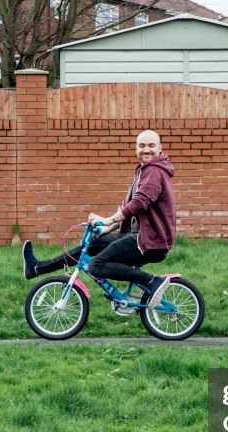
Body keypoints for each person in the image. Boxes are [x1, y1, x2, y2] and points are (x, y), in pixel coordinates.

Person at [22, 129, 177, 310]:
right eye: (141, 146)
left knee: (96, 265)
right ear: (136, 148)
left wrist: (109, 220)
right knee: (94, 244)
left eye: (151, 146)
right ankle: (38, 268)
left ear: (160, 148)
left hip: (149, 241)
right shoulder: (145, 171)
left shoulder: (154, 172)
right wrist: (106, 228)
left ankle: (152, 281)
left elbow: (139, 203)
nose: (146, 150)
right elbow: (131, 209)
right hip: (140, 236)